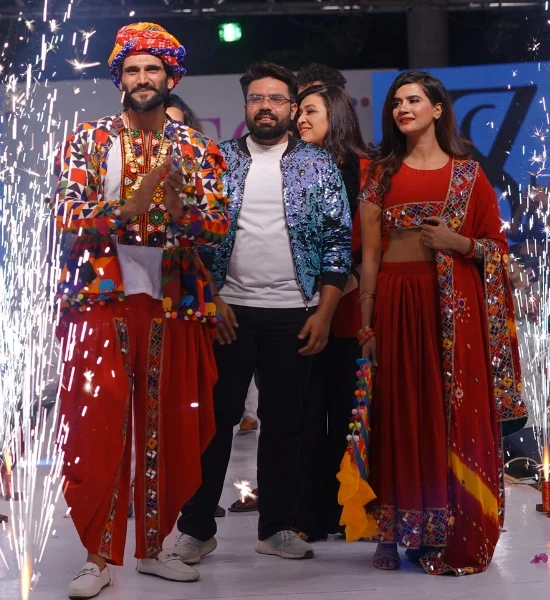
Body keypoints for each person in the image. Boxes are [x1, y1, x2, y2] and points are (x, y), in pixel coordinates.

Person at [55, 22, 229, 597]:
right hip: (101, 297)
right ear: (120, 79)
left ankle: (154, 547)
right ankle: (96, 557)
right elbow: (66, 214)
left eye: (152, 68)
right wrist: (125, 209)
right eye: (132, 69)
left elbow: (218, 225)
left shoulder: (196, 147)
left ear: (170, 77)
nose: (142, 78)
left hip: (172, 300)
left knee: (170, 423)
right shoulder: (88, 139)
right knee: (98, 426)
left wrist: (181, 212)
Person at [174, 61, 351, 563]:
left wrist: (324, 312)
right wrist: (214, 298)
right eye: (257, 98)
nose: (266, 106)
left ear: (292, 108)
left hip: (295, 312)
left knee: (285, 424)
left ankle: (275, 527)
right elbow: (195, 237)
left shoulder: (318, 164)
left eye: (276, 99)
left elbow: (338, 241)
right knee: (215, 423)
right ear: (246, 106)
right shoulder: (219, 159)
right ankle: (196, 528)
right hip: (229, 312)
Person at [358, 71, 526, 575]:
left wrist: (460, 244)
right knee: (397, 409)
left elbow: (499, 251)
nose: (402, 109)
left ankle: (447, 529)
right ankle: (392, 529)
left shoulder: (469, 176)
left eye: (413, 100)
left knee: (444, 413)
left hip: (451, 310)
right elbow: (369, 256)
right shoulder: (380, 174)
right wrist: (366, 326)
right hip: (395, 301)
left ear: (437, 109)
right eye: (396, 102)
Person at [292, 83, 371, 541]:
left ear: (335, 115)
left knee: (349, 413)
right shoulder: (292, 168)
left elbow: (376, 240)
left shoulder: (366, 169)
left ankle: (353, 511)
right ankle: (308, 517)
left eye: (310, 111)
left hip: (350, 311)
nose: (300, 119)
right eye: (299, 112)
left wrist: (347, 279)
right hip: (301, 309)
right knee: (304, 414)